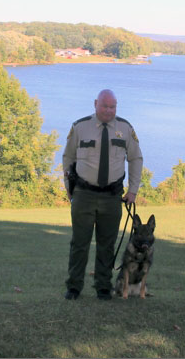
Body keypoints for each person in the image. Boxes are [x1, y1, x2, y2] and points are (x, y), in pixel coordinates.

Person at [62, 89, 143, 301]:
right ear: (95, 103)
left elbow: (136, 159)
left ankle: (103, 287)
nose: (109, 110)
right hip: (84, 194)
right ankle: (74, 287)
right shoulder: (80, 127)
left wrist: (133, 190)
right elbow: (68, 157)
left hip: (111, 196)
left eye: (113, 106)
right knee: (79, 243)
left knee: (107, 244)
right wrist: (69, 189)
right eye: (105, 106)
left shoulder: (125, 128)